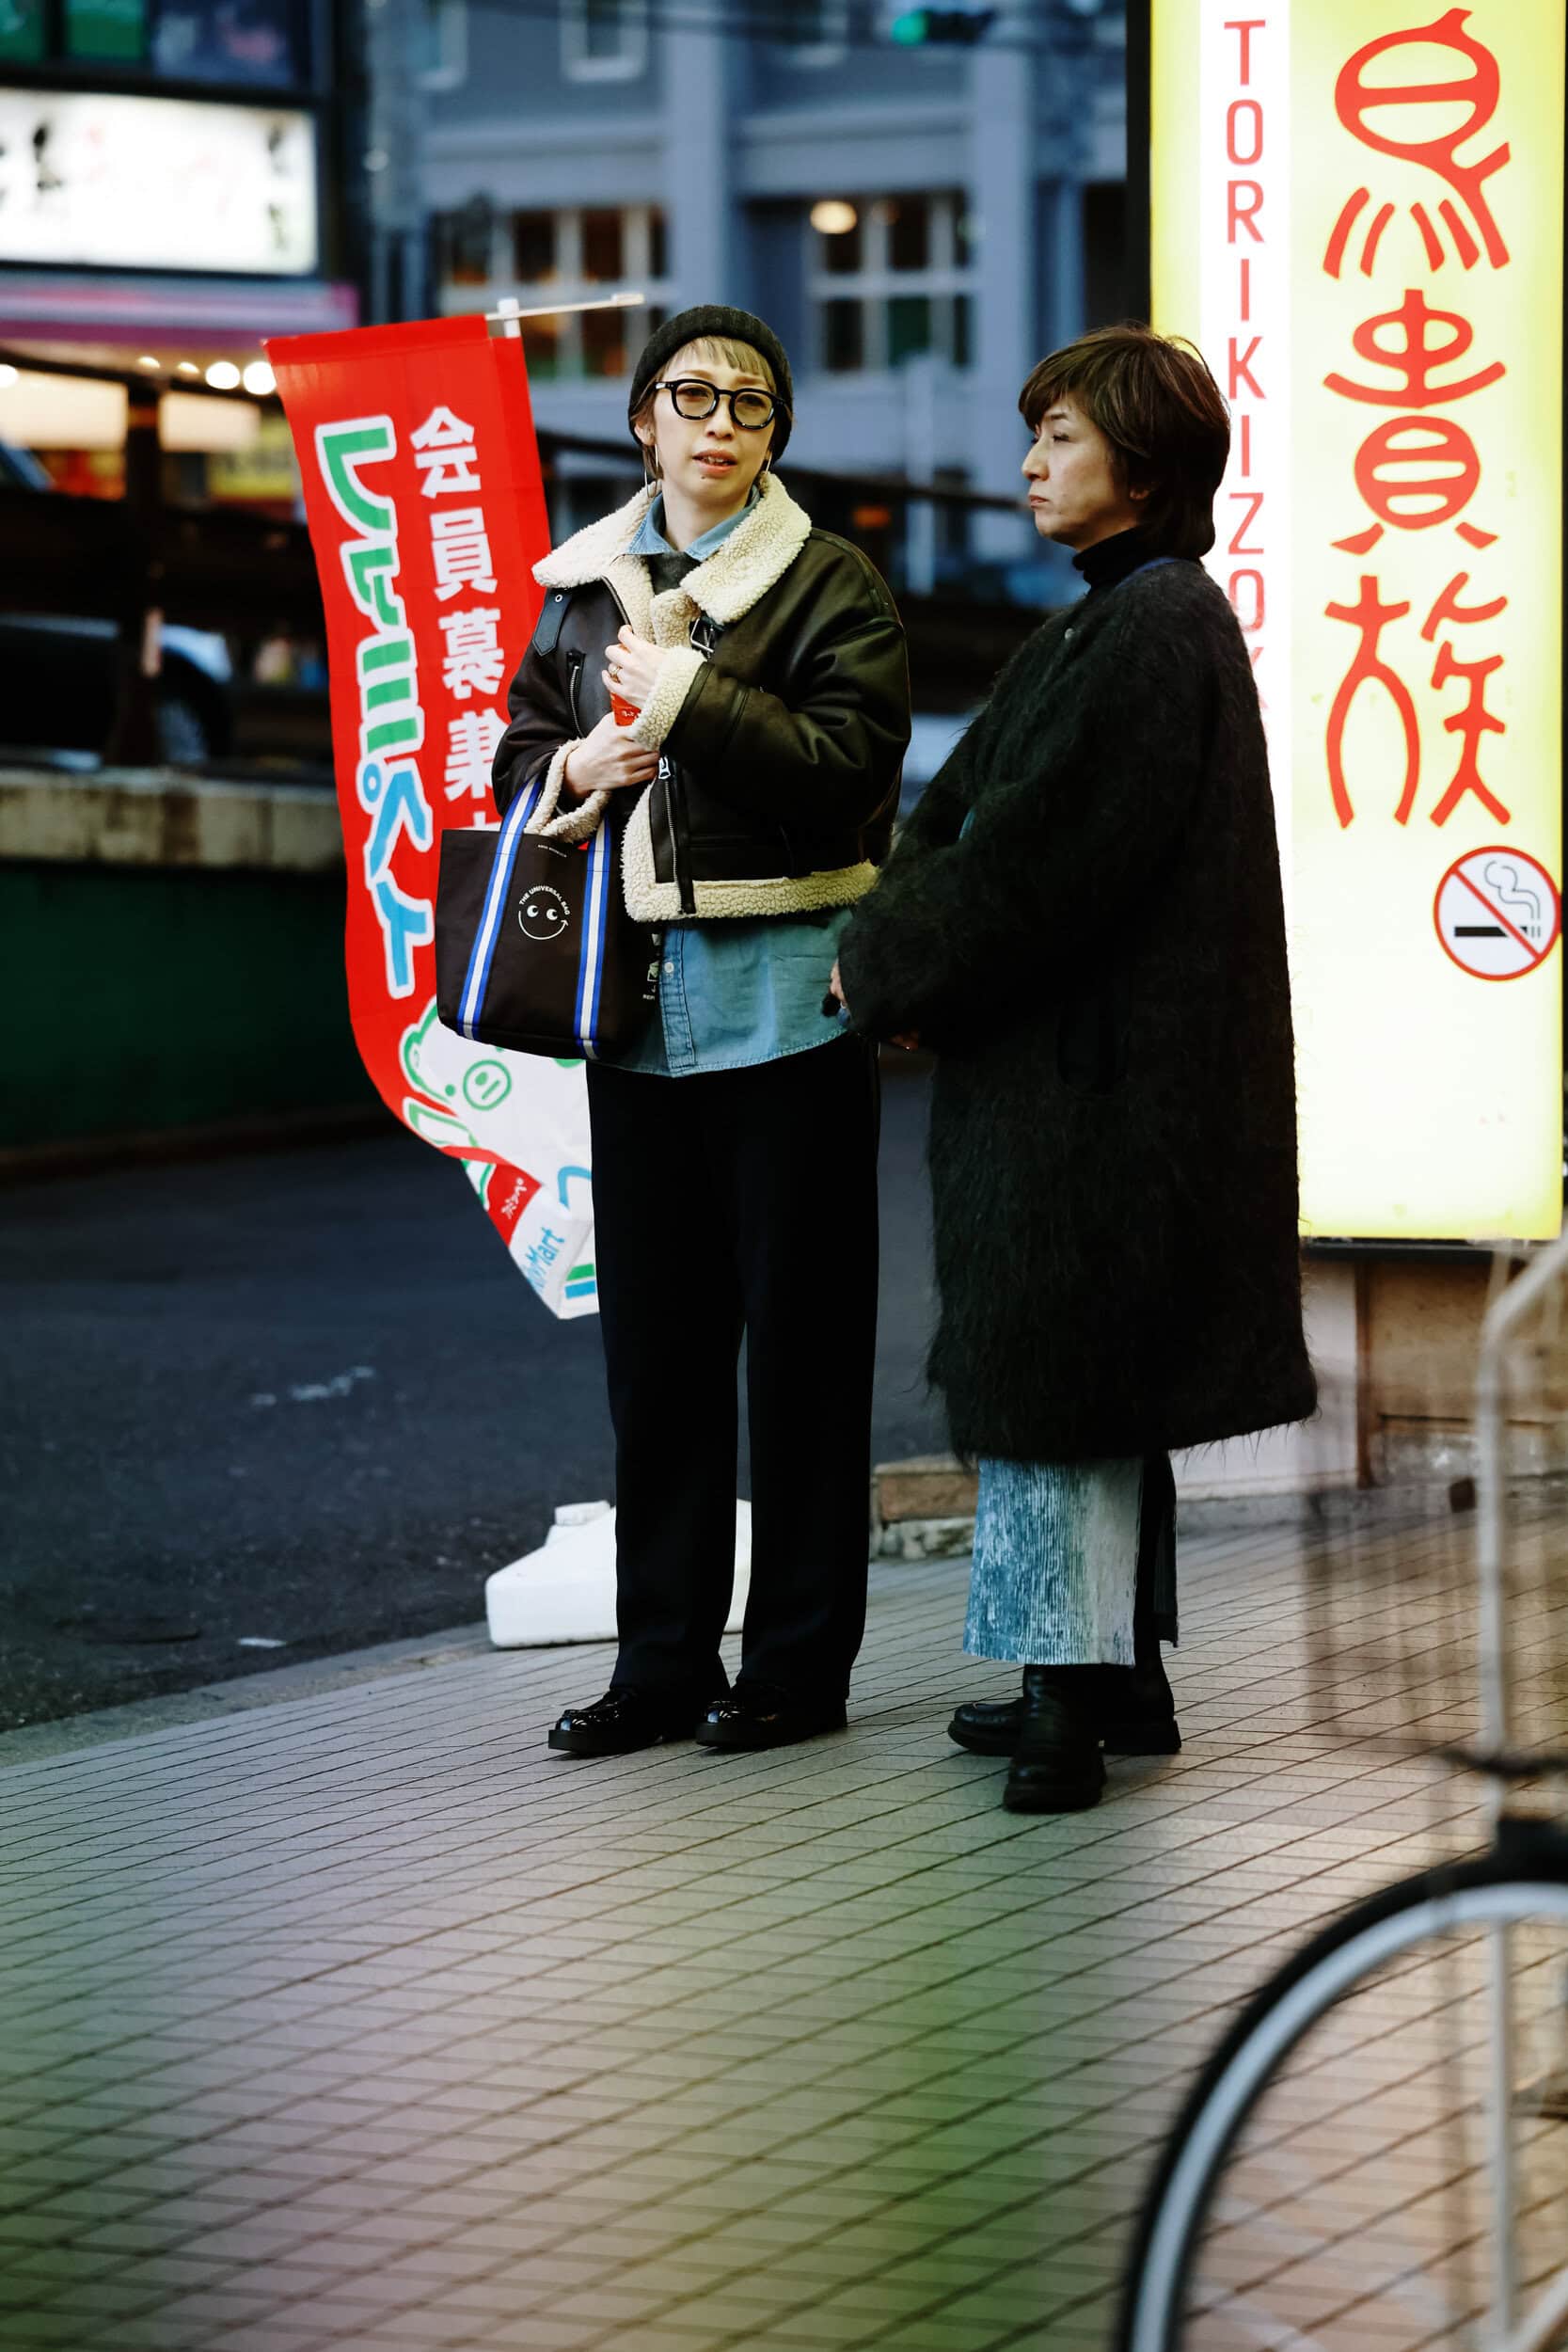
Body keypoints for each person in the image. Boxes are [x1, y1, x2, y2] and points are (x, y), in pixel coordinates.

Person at [832, 323, 1316, 1813]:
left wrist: (884, 963)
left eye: (1060, 438)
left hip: (1092, 1090)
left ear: (1145, 466)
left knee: (1054, 1384)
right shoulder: (1123, 615)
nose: (1030, 462)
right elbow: (982, 821)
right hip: (1104, 1074)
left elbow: (1032, 857)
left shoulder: (1153, 623)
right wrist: (921, 931)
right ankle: (1118, 1678)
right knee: (1096, 1383)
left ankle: (1061, 1706)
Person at [492, 305, 911, 1757]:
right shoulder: (580, 587)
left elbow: (853, 776)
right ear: (642, 421)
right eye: (693, 395)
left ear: (777, 433)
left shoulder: (829, 581)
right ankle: (659, 1664)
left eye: (751, 401)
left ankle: (795, 1669)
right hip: (636, 1020)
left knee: (802, 1360)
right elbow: (512, 758)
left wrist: (685, 697)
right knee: (657, 1367)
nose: (721, 420)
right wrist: (579, 764)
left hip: (793, 1009)